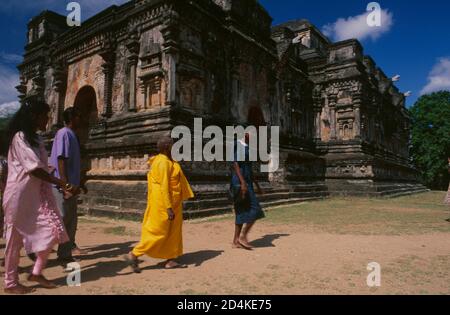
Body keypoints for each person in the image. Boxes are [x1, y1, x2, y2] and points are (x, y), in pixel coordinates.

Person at [2, 98, 73, 294]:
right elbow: (34, 169)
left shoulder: (37, 140)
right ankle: (10, 283)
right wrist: (62, 183)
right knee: (14, 240)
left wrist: (59, 184)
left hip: (37, 194)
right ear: (34, 116)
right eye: (45, 115)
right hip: (19, 195)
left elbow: (43, 168)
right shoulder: (19, 138)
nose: (48, 119)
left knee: (52, 232)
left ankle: (36, 272)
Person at [124, 136, 194, 273]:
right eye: (172, 145)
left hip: (173, 202)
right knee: (158, 232)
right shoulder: (163, 162)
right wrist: (168, 207)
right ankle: (134, 254)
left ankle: (171, 259)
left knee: (173, 233)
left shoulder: (167, 161)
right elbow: (164, 185)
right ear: (167, 147)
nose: (174, 147)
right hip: (164, 204)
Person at [50, 107, 88, 266]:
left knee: (70, 221)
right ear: (72, 118)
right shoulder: (64, 133)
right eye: (79, 116)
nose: (81, 119)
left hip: (71, 186)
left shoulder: (73, 135)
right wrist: (65, 185)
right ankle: (38, 249)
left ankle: (65, 254)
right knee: (61, 219)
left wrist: (79, 183)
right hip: (63, 186)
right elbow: (61, 159)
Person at [230, 132, 265, 250]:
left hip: (247, 182)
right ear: (245, 134)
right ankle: (243, 236)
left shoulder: (248, 148)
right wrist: (243, 182)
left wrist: (257, 185)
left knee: (242, 210)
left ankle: (236, 240)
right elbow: (235, 164)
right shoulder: (238, 144)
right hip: (239, 182)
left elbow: (250, 168)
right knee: (256, 209)